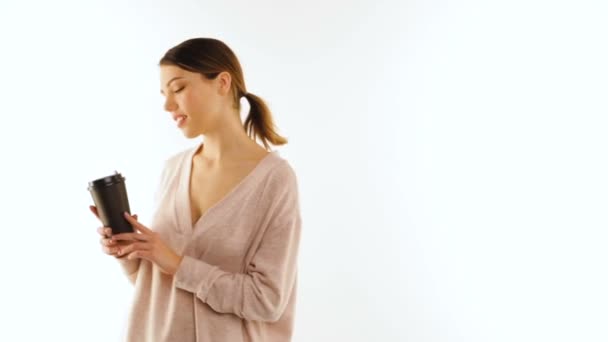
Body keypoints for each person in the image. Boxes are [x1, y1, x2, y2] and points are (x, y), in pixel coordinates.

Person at [89, 37, 302, 342]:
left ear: (222, 82)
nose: (167, 105)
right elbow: (157, 287)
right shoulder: (173, 169)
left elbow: (267, 300)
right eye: (164, 94)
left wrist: (176, 263)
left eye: (178, 89)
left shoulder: (275, 180)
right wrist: (131, 256)